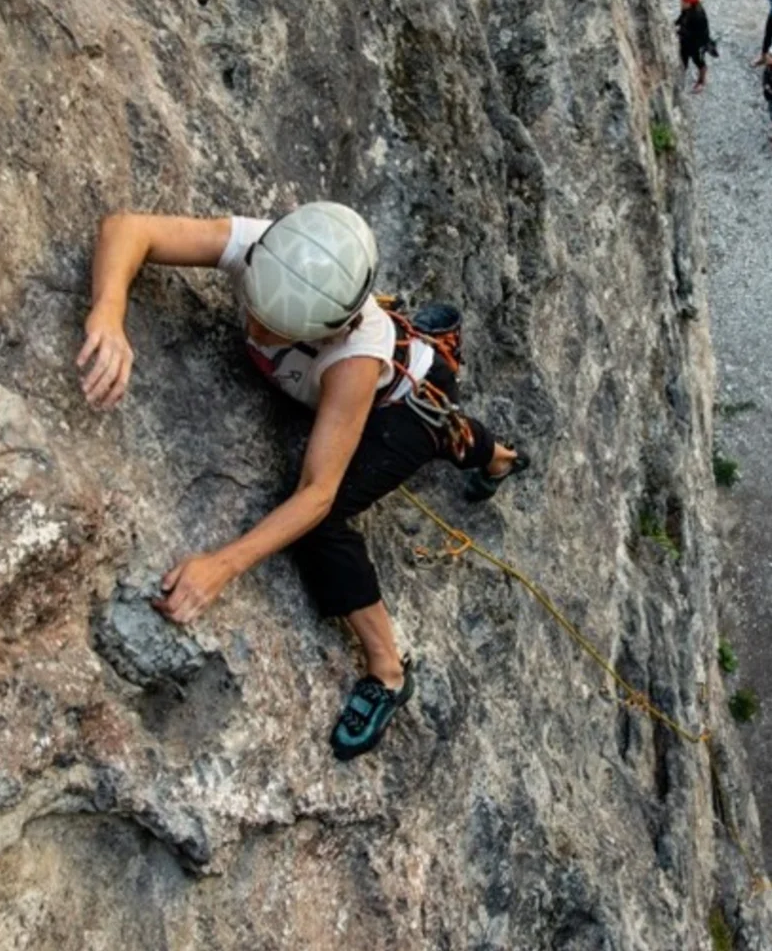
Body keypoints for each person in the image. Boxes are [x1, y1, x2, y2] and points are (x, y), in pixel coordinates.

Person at [76, 203, 529, 760]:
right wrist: (108, 313)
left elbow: (316, 495)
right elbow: (129, 228)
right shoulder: (275, 252)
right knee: (450, 430)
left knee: (326, 524)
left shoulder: (352, 361)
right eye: (257, 311)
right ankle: (497, 457)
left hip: (400, 408)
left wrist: (222, 566)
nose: (257, 327)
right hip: (408, 371)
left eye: (279, 328)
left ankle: (388, 672)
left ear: (333, 328)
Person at [675, 0, 714, 93]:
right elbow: (682, 17)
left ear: (690, 3)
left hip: (698, 43)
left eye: (684, 1)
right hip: (686, 40)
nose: (681, 3)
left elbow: (696, 34)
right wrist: (676, 24)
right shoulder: (687, 9)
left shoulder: (698, 16)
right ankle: (682, 73)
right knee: (683, 57)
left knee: (698, 61)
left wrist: (680, 31)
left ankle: (701, 81)